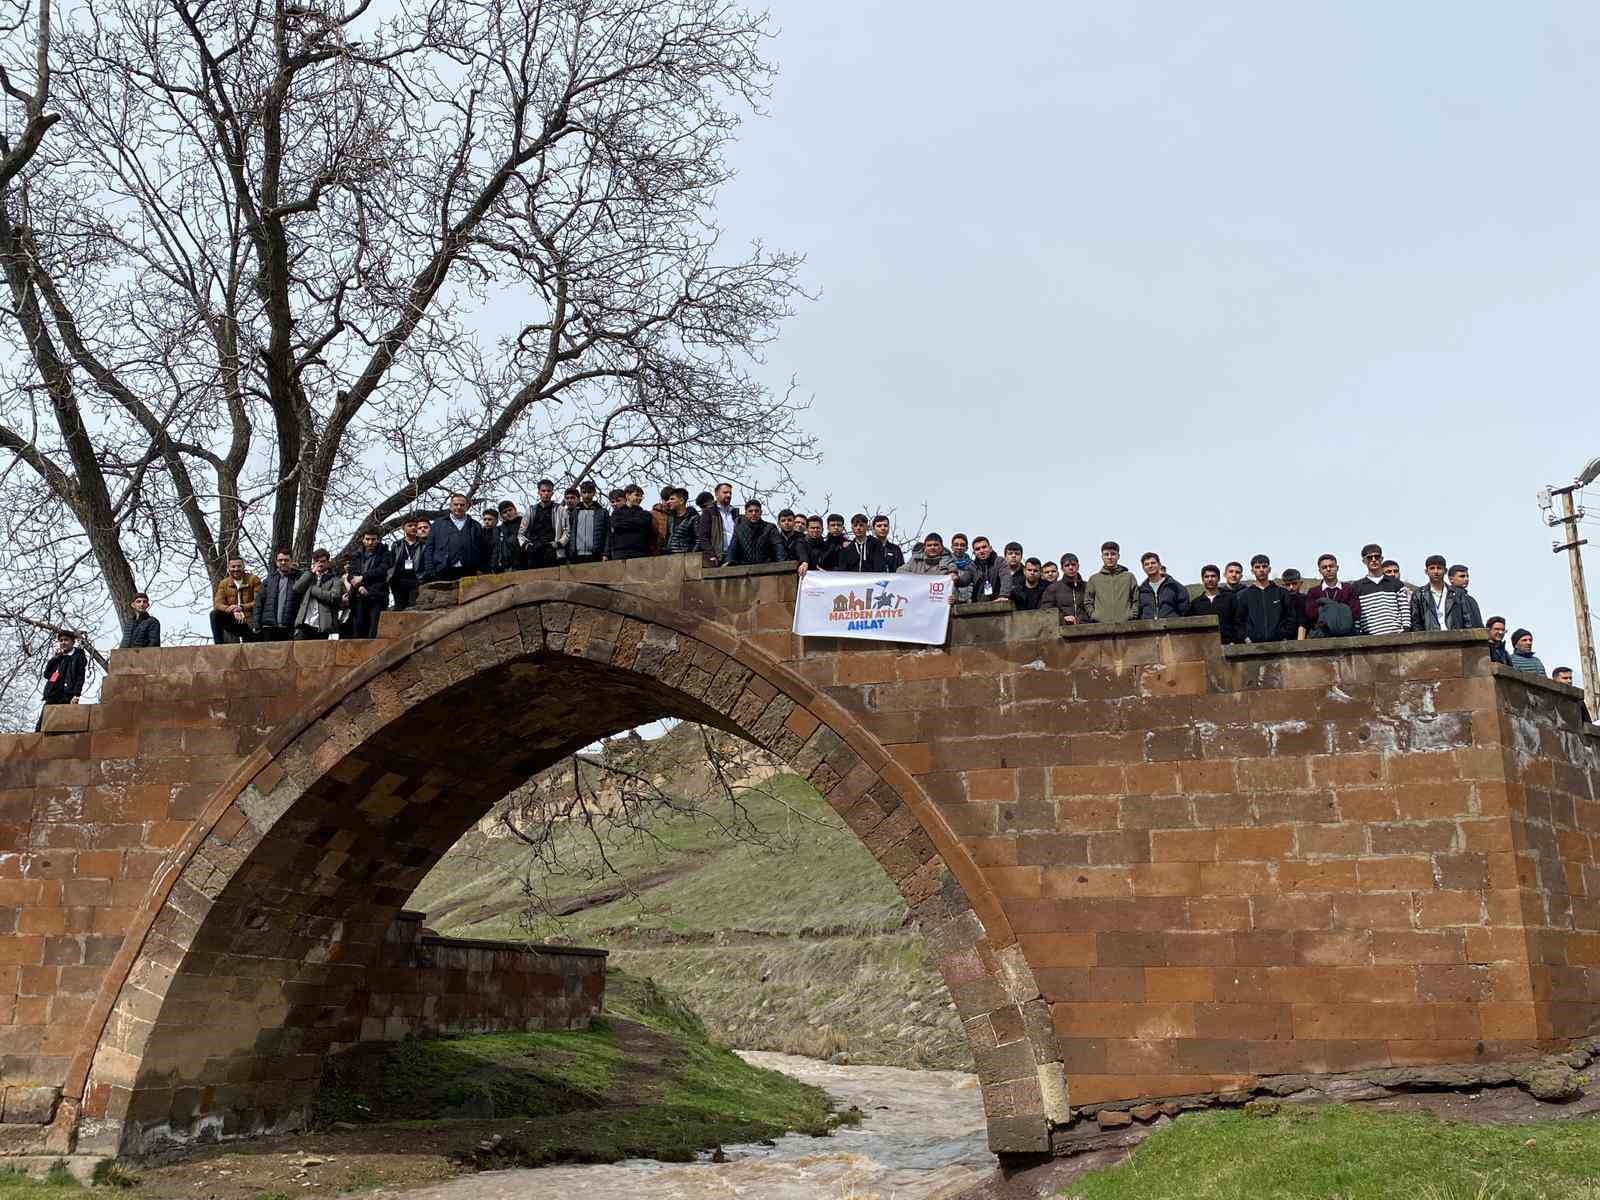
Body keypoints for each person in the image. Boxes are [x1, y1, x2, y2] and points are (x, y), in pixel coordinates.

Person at [420, 493, 490, 582]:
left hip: (469, 573)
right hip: (443, 572)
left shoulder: (475, 525)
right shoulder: (438, 524)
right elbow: (429, 549)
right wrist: (431, 571)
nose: (459, 507)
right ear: (450, 506)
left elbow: (483, 549)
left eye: (462, 505)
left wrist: (482, 570)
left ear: (467, 506)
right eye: (456, 504)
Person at [1234, 555, 1299, 644]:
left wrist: (1285, 636)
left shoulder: (1282, 593)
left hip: (1279, 645)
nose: (1261, 570)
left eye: (1264, 566)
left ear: (1269, 569)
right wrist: (1246, 638)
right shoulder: (1243, 595)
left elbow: (1291, 617)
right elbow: (1239, 621)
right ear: (1252, 571)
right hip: (1253, 646)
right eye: (1257, 567)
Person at [1352, 543, 1409, 635]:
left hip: (1396, 635)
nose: (1374, 560)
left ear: (1381, 559)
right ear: (1364, 561)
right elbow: (1357, 615)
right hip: (1370, 638)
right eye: (1370, 558)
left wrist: (1405, 630)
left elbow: (1404, 609)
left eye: (1377, 557)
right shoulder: (1357, 587)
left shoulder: (1396, 584)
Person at [346, 530, 394, 638]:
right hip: (359, 596)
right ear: (363, 540)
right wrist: (359, 586)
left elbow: (382, 570)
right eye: (367, 539)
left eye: (373, 539)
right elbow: (351, 574)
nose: (370, 542)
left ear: (378, 540)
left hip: (378, 595)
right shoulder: (357, 555)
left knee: (375, 629)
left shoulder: (386, 554)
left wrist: (363, 577)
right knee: (359, 628)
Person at [1409, 554, 1474, 632]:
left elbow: (1467, 620)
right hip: (1430, 640)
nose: (1436, 571)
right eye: (1432, 568)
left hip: (1455, 639)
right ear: (1426, 571)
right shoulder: (1419, 594)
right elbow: (1416, 621)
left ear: (1445, 571)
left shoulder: (1457, 593)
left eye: (1439, 568)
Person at [898, 533, 969, 603]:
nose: (932, 547)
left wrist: (954, 597)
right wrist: (919, 579)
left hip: (937, 605)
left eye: (936, 545)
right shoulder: (915, 560)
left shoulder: (949, 562)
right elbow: (899, 572)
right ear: (925, 547)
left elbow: (952, 585)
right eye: (929, 545)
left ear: (941, 547)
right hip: (916, 602)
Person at [1303, 554, 1360, 639]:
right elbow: (1311, 614)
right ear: (1320, 571)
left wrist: (1325, 610)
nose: (1328, 569)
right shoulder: (1313, 592)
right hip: (1322, 637)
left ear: (1337, 568)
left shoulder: (1349, 589)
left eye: (1331, 566)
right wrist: (1341, 610)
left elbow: (1356, 613)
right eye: (1324, 567)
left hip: (1347, 636)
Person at [291, 549, 344, 639]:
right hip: (305, 623)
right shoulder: (308, 576)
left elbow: (334, 597)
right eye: (317, 561)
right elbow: (296, 588)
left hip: (322, 625)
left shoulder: (335, 579)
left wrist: (313, 589)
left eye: (323, 561)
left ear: (328, 562)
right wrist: (311, 572)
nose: (320, 564)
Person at [38, 631, 88, 727]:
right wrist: (56, 658)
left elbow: (80, 678)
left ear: (73, 642)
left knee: (61, 725)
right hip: (52, 695)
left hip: (67, 695)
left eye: (66, 640)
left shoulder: (78, 657)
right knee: (41, 725)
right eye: (61, 640)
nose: (63, 642)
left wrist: (76, 695)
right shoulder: (59, 657)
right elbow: (48, 675)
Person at [210, 556, 261, 644]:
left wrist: (241, 607)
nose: (236, 569)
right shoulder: (224, 583)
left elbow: (258, 601)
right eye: (233, 567)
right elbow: (218, 604)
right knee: (214, 614)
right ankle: (218, 645)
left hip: (250, 621)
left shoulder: (253, 579)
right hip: (233, 619)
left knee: (250, 648)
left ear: (243, 567)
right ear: (229, 568)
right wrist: (232, 609)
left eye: (239, 566)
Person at [253, 549, 302, 639]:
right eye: (280, 560)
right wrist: (256, 624)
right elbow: (259, 603)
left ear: (291, 562)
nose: (283, 562)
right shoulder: (268, 581)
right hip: (268, 627)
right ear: (276, 562)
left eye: (286, 560)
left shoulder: (298, 579)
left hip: (288, 627)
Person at [1085, 541, 1137, 623]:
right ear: (1102, 557)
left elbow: (1136, 599)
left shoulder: (1129, 577)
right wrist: (1094, 615)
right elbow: (1088, 601)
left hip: (1126, 625)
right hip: (1101, 627)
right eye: (1106, 554)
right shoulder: (1094, 579)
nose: (1110, 557)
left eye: (1113, 554)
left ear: (1118, 556)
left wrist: (1131, 615)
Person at [725, 500, 789, 565]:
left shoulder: (770, 528)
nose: (753, 513)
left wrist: (783, 564)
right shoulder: (739, 529)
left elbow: (778, 547)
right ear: (746, 513)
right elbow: (733, 548)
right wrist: (728, 562)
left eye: (756, 511)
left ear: (761, 512)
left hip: (766, 568)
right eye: (750, 511)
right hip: (745, 568)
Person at [562, 481, 610, 565]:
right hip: (576, 556)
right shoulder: (574, 513)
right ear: (580, 493)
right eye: (584, 492)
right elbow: (568, 534)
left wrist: (605, 554)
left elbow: (607, 534)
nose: (587, 495)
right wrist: (568, 555)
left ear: (594, 493)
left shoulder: (602, 512)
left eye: (589, 492)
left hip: (596, 555)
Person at [1189, 564, 1237, 643]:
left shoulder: (1230, 599)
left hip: (1228, 645)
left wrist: (1234, 641)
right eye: (1206, 577)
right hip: (1204, 647)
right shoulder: (1195, 604)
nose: (1210, 579)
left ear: (1219, 579)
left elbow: (1237, 622)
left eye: (1213, 576)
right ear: (1202, 579)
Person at [1136, 552, 1190, 620]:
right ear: (1143, 568)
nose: (1150, 566)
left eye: (1153, 563)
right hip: (1148, 628)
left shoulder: (1175, 587)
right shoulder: (1141, 590)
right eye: (1146, 564)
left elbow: (1185, 610)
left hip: (1171, 628)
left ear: (1159, 565)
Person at [606, 484, 654, 560]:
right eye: (637, 495)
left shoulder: (645, 514)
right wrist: (637, 524)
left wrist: (626, 523)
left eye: (641, 496)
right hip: (621, 553)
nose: (639, 498)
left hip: (641, 553)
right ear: (628, 495)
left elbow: (646, 527)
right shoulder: (616, 514)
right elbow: (617, 525)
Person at [520, 479, 561, 568]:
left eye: (548, 491)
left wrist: (558, 544)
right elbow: (521, 533)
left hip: (551, 552)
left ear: (552, 493)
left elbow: (566, 531)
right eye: (543, 491)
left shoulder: (559, 510)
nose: (546, 493)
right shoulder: (531, 510)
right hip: (534, 552)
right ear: (538, 492)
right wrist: (527, 546)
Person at [696, 482, 737, 565]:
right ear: (717, 494)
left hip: (736, 556)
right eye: (725, 492)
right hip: (719, 557)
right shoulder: (709, 512)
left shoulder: (735, 513)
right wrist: (712, 555)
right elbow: (703, 537)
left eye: (730, 493)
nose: (728, 495)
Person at [1041, 553, 1090, 624]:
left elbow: (1094, 608)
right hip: (1063, 630)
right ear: (1062, 569)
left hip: (1087, 628)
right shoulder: (1053, 588)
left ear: (1078, 566)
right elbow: (1046, 611)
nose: (1071, 567)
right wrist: (1062, 618)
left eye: (1073, 564)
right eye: (1067, 565)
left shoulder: (1088, 586)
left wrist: (1084, 619)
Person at [389, 519, 425, 611]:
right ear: (403, 528)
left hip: (416, 581)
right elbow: (391, 563)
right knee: (399, 608)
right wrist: (390, 579)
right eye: (410, 525)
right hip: (398, 582)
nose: (413, 527)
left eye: (415, 525)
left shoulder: (423, 544)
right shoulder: (397, 544)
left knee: (413, 608)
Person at [967, 536, 1010, 602]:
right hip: (979, 606)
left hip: (998, 602)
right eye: (977, 549)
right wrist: (956, 578)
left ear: (990, 548)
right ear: (974, 552)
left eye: (984, 547)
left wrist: (1003, 595)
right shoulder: (972, 566)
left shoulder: (999, 561)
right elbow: (964, 579)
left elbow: (1006, 578)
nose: (981, 551)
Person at [491, 500, 524, 573]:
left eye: (510, 510)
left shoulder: (525, 524)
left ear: (515, 510)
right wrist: (495, 566)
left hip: (525, 565)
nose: (508, 513)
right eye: (504, 512)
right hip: (507, 568)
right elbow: (496, 549)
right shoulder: (499, 530)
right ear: (501, 515)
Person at [664, 488, 700, 553]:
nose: (668, 502)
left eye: (672, 499)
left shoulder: (693, 518)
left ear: (681, 501)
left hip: (686, 556)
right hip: (669, 556)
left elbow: (698, 539)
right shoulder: (670, 518)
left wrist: (692, 555)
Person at [1280, 568, 1309, 638]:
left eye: (1294, 583)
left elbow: (1303, 622)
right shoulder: (1279, 601)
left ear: (1300, 583)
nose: (1291, 587)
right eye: (1287, 585)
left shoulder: (1305, 599)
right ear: (1283, 585)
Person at [949, 534, 975, 603]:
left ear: (966, 548)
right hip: (951, 604)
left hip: (969, 605)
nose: (959, 547)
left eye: (962, 545)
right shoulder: (946, 564)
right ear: (952, 547)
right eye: (956, 545)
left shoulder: (973, 565)